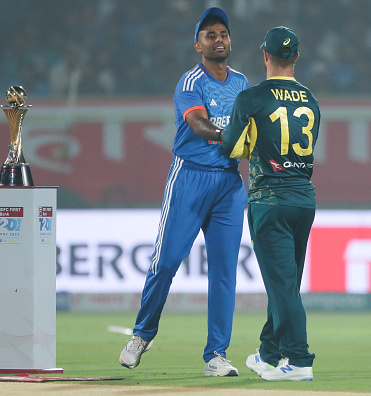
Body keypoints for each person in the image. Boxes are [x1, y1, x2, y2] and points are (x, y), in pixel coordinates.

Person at [119, 7, 248, 376]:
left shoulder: (241, 82)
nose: (218, 39)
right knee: (167, 261)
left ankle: (216, 355)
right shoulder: (190, 82)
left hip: (229, 182)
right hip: (190, 179)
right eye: (210, 35)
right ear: (198, 44)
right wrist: (233, 135)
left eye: (223, 33)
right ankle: (142, 335)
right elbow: (198, 124)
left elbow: (253, 129)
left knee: (225, 272)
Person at [222, 26, 319, 381]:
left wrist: (249, 141)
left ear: (265, 56)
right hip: (304, 200)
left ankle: (298, 360)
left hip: (269, 198)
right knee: (286, 284)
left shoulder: (252, 98)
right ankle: (268, 352)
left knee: (281, 285)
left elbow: (230, 147)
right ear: (295, 57)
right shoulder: (310, 99)